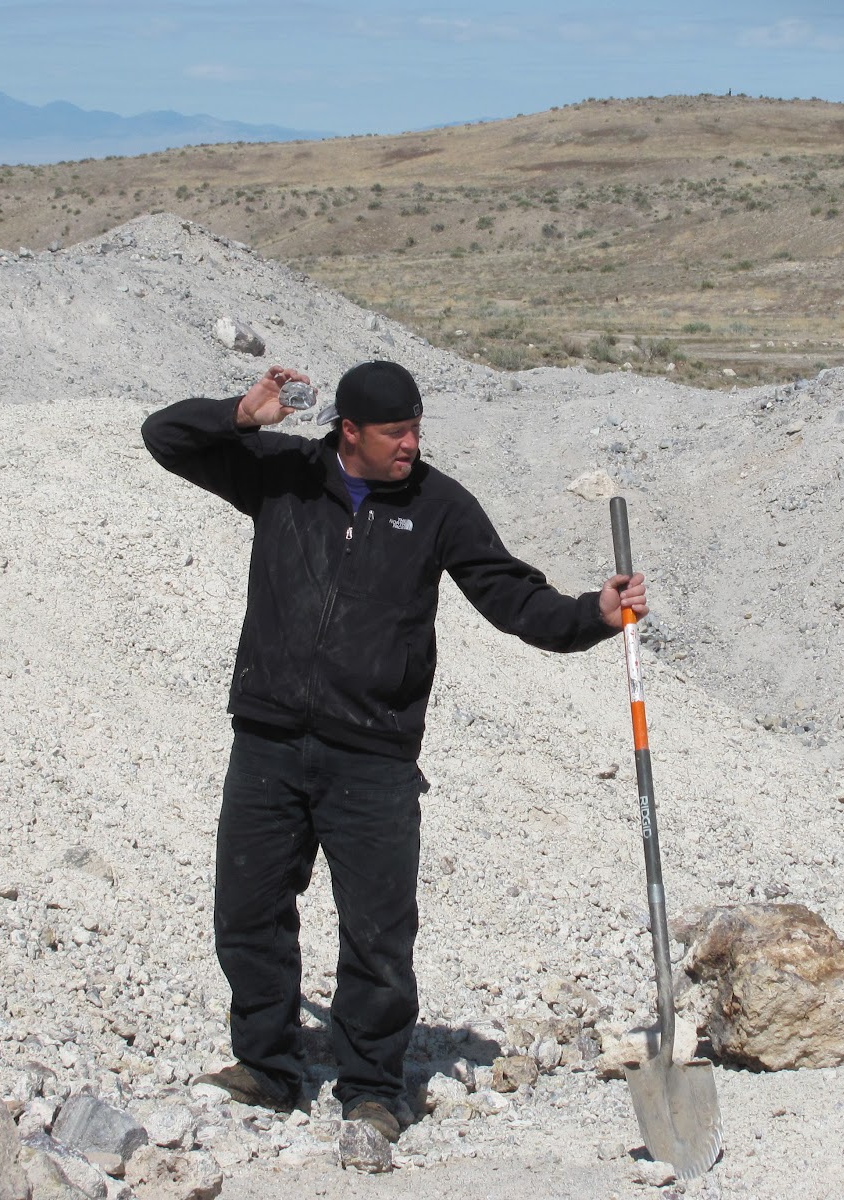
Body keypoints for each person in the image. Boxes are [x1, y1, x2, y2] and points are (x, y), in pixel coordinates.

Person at [140, 360, 647, 1142]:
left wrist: (594, 614)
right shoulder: (281, 474)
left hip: (373, 755)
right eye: (396, 432)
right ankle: (266, 1068)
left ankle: (373, 1088)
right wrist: (241, 414)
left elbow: (512, 597)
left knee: (377, 934)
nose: (411, 444)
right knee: (249, 913)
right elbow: (164, 437)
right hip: (268, 739)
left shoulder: (439, 506)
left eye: (416, 429)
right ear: (350, 431)